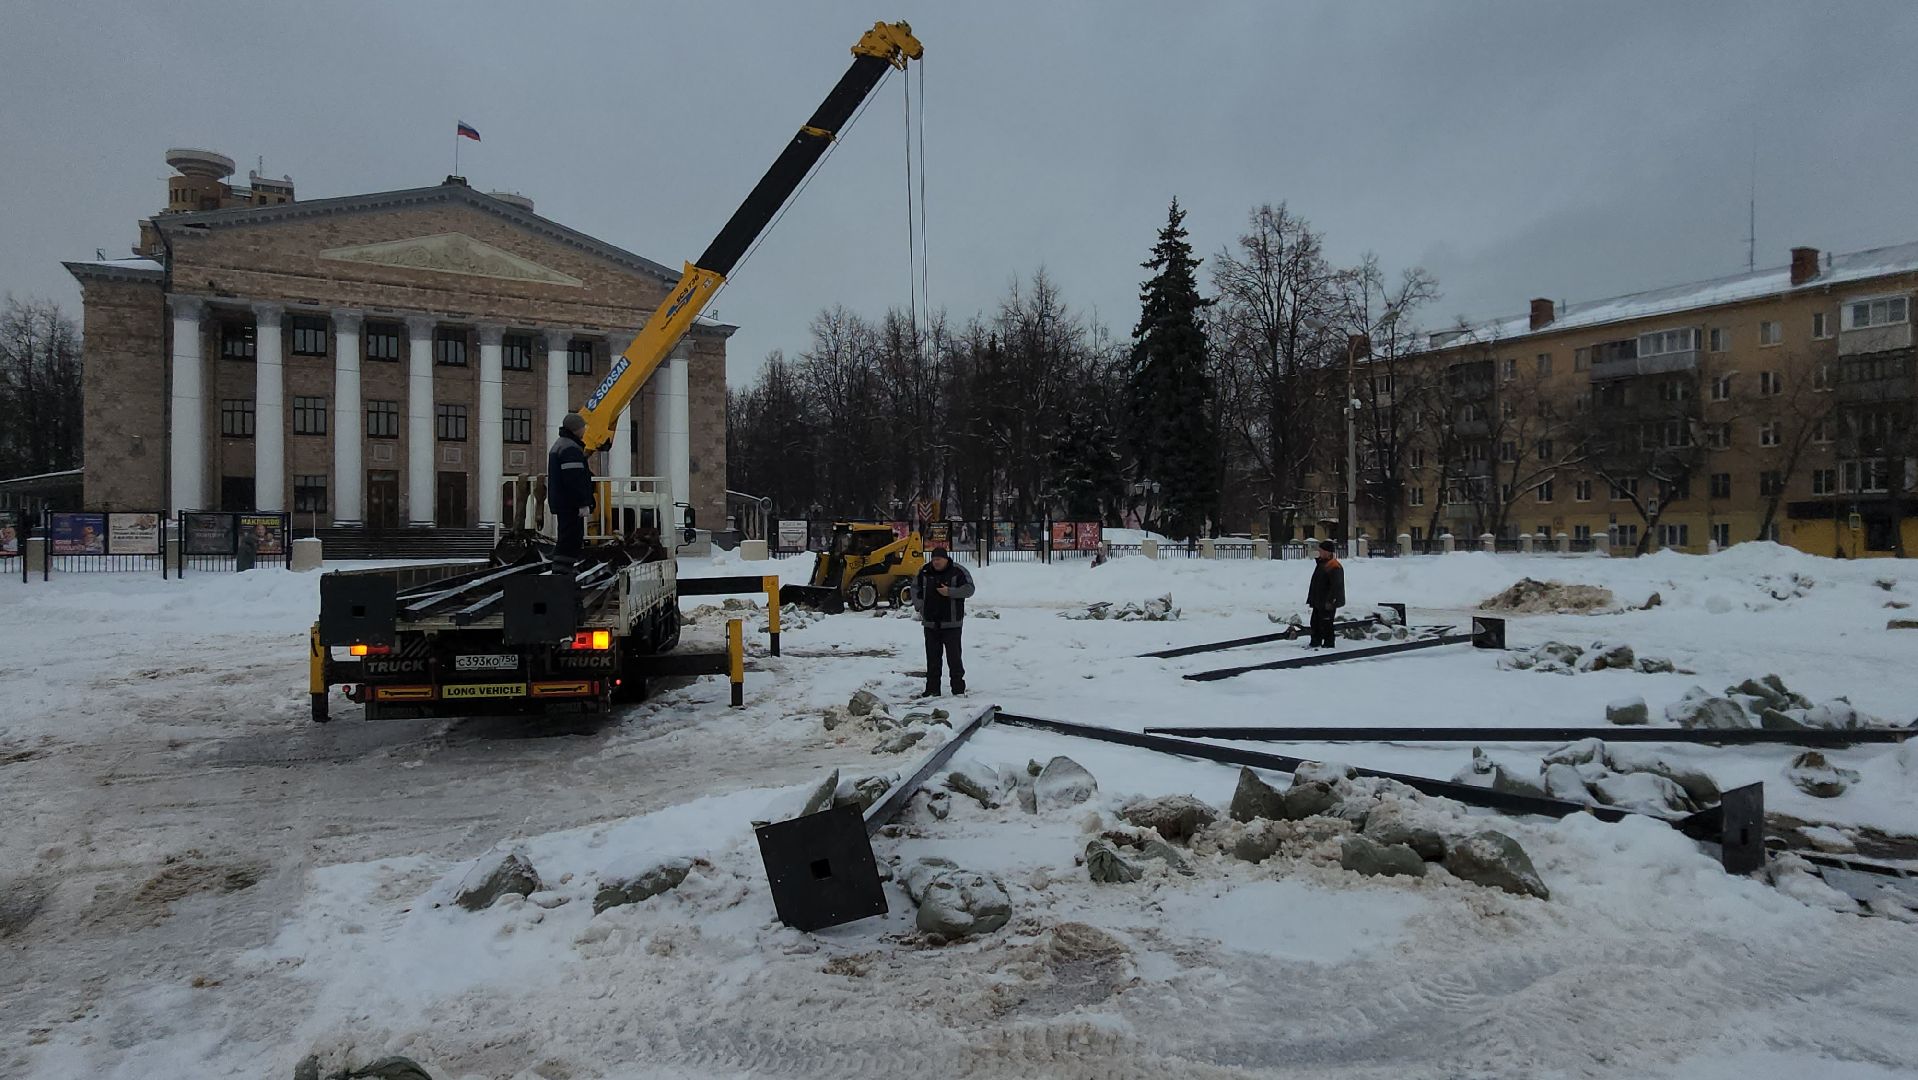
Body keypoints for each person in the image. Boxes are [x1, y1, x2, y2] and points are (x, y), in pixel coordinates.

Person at [914, 546, 976, 696]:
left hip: (952, 623)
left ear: (946, 559)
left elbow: (969, 589)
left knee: (954, 658)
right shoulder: (924, 571)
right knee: (932, 658)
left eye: (939, 560)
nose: (936, 562)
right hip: (930, 623)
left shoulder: (958, 571)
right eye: (934, 559)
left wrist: (950, 592)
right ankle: (932, 690)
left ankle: (958, 689)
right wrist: (919, 606)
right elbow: (915, 588)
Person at [547, 413, 596, 577]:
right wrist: (582, 502)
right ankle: (562, 572)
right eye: (583, 427)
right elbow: (574, 479)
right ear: (576, 429)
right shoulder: (570, 448)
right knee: (570, 538)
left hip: (564, 502)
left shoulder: (561, 445)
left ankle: (563, 569)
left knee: (567, 535)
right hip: (570, 503)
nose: (585, 430)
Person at [1306, 539, 1345, 648]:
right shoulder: (1322, 563)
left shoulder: (1334, 566)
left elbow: (1336, 586)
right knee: (1315, 622)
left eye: (1321, 550)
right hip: (1319, 600)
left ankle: (1328, 644)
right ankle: (1315, 641)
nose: (1319, 552)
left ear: (1328, 552)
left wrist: (1331, 601)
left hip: (1327, 602)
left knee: (1326, 623)